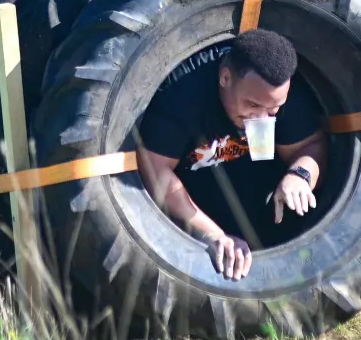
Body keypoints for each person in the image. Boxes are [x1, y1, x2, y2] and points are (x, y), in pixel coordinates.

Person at [134, 28, 328, 281]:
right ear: (225, 78)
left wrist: (300, 174)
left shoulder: (279, 95)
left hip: (259, 213)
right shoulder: (184, 93)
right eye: (252, 105)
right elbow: (154, 169)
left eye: (273, 109)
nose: (261, 118)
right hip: (190, 221)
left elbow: (311, 145)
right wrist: (212, 234)